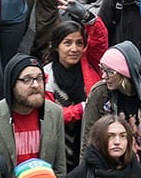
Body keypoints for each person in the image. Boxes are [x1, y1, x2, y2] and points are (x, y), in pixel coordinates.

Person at [0, 55, 67, 178]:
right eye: (27, 80)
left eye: (40, 78)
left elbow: (59, 169)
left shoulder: (54, 112)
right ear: (12, 84)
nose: (36, 85)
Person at [44, 9, 110, 167]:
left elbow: (100, 39)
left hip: (93, 139)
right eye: (67, 43)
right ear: (56, 46)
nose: (74, 49)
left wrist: (86, 16)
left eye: (79, 43)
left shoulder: (90, 62)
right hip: (60, 144)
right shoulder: (46, 75)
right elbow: (49, 116)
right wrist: (82, 109)